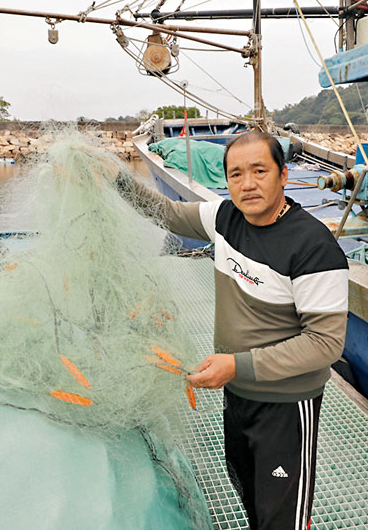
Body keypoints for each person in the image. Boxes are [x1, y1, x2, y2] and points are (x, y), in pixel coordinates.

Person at [117, 130, 348, 529]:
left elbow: (325, 343)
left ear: (284, 175)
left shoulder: (314, 246)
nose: (247, 183)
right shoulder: (224, 218)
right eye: (236, 174)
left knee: (283, 517)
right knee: (251, 495)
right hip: (237, 397)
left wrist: (236, 365)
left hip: (287, 407)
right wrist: (114, 177)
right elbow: (167, 213)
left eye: (260, 170)